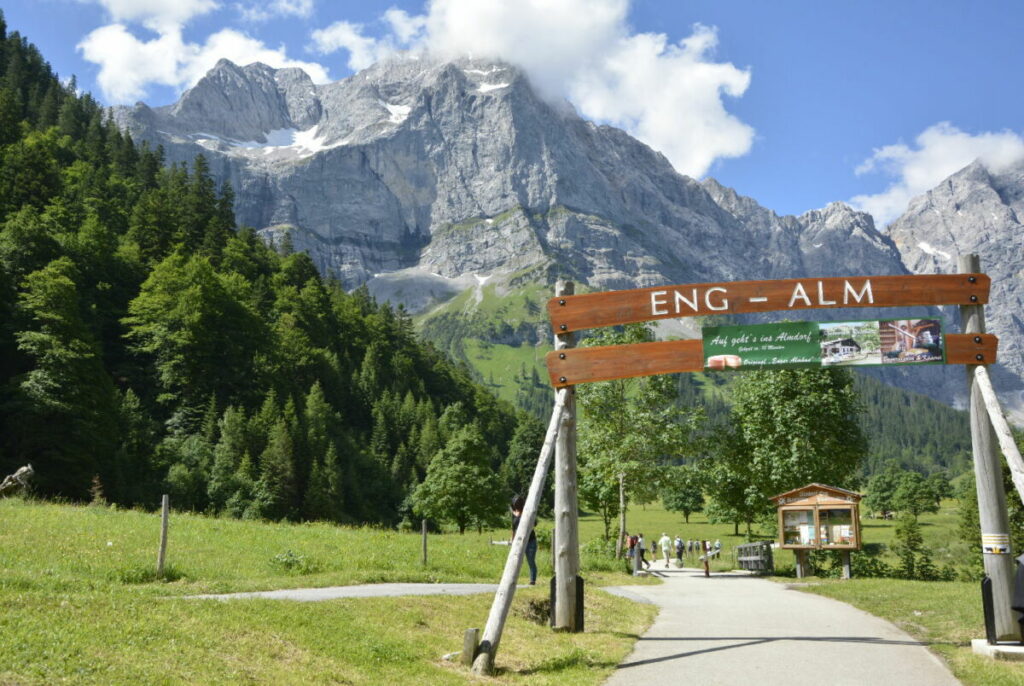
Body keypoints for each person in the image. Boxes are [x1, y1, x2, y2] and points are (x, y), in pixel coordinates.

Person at [510, 496, 537, 585]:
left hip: (530, 541)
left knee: (530, 560)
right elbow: (513, 529)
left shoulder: (527, 513)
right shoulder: (514, 514)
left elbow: (534, 523)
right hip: (519, 541)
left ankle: (532, 580)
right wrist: (513, 540)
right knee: (515, 560)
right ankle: (512, 579)